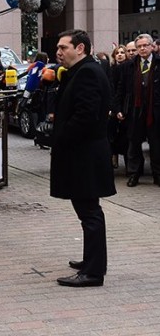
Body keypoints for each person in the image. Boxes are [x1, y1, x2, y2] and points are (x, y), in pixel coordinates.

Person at [51, 29, 115, 287]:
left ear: (80, 48)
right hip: (84, 153)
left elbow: (85, 116)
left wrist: (60, 135)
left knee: (90, 213)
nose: (58, 52)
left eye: (63, 47)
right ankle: (93, 261)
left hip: (85, 155)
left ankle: (93, 272)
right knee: (88, 212)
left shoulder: (88, 72)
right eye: (57, 47)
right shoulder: (82, 70)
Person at [114, 33, 160, 187]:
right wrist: (119, 108)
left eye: (145, 45)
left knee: (156, 145)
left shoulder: (158, 63)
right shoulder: (129, 65)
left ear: (152, 47)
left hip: (155, 112)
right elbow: (121, 89)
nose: (142, 49)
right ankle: (134, 174)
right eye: (139, 46)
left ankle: (157, 175)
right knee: (133, 144)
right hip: (134, 111)